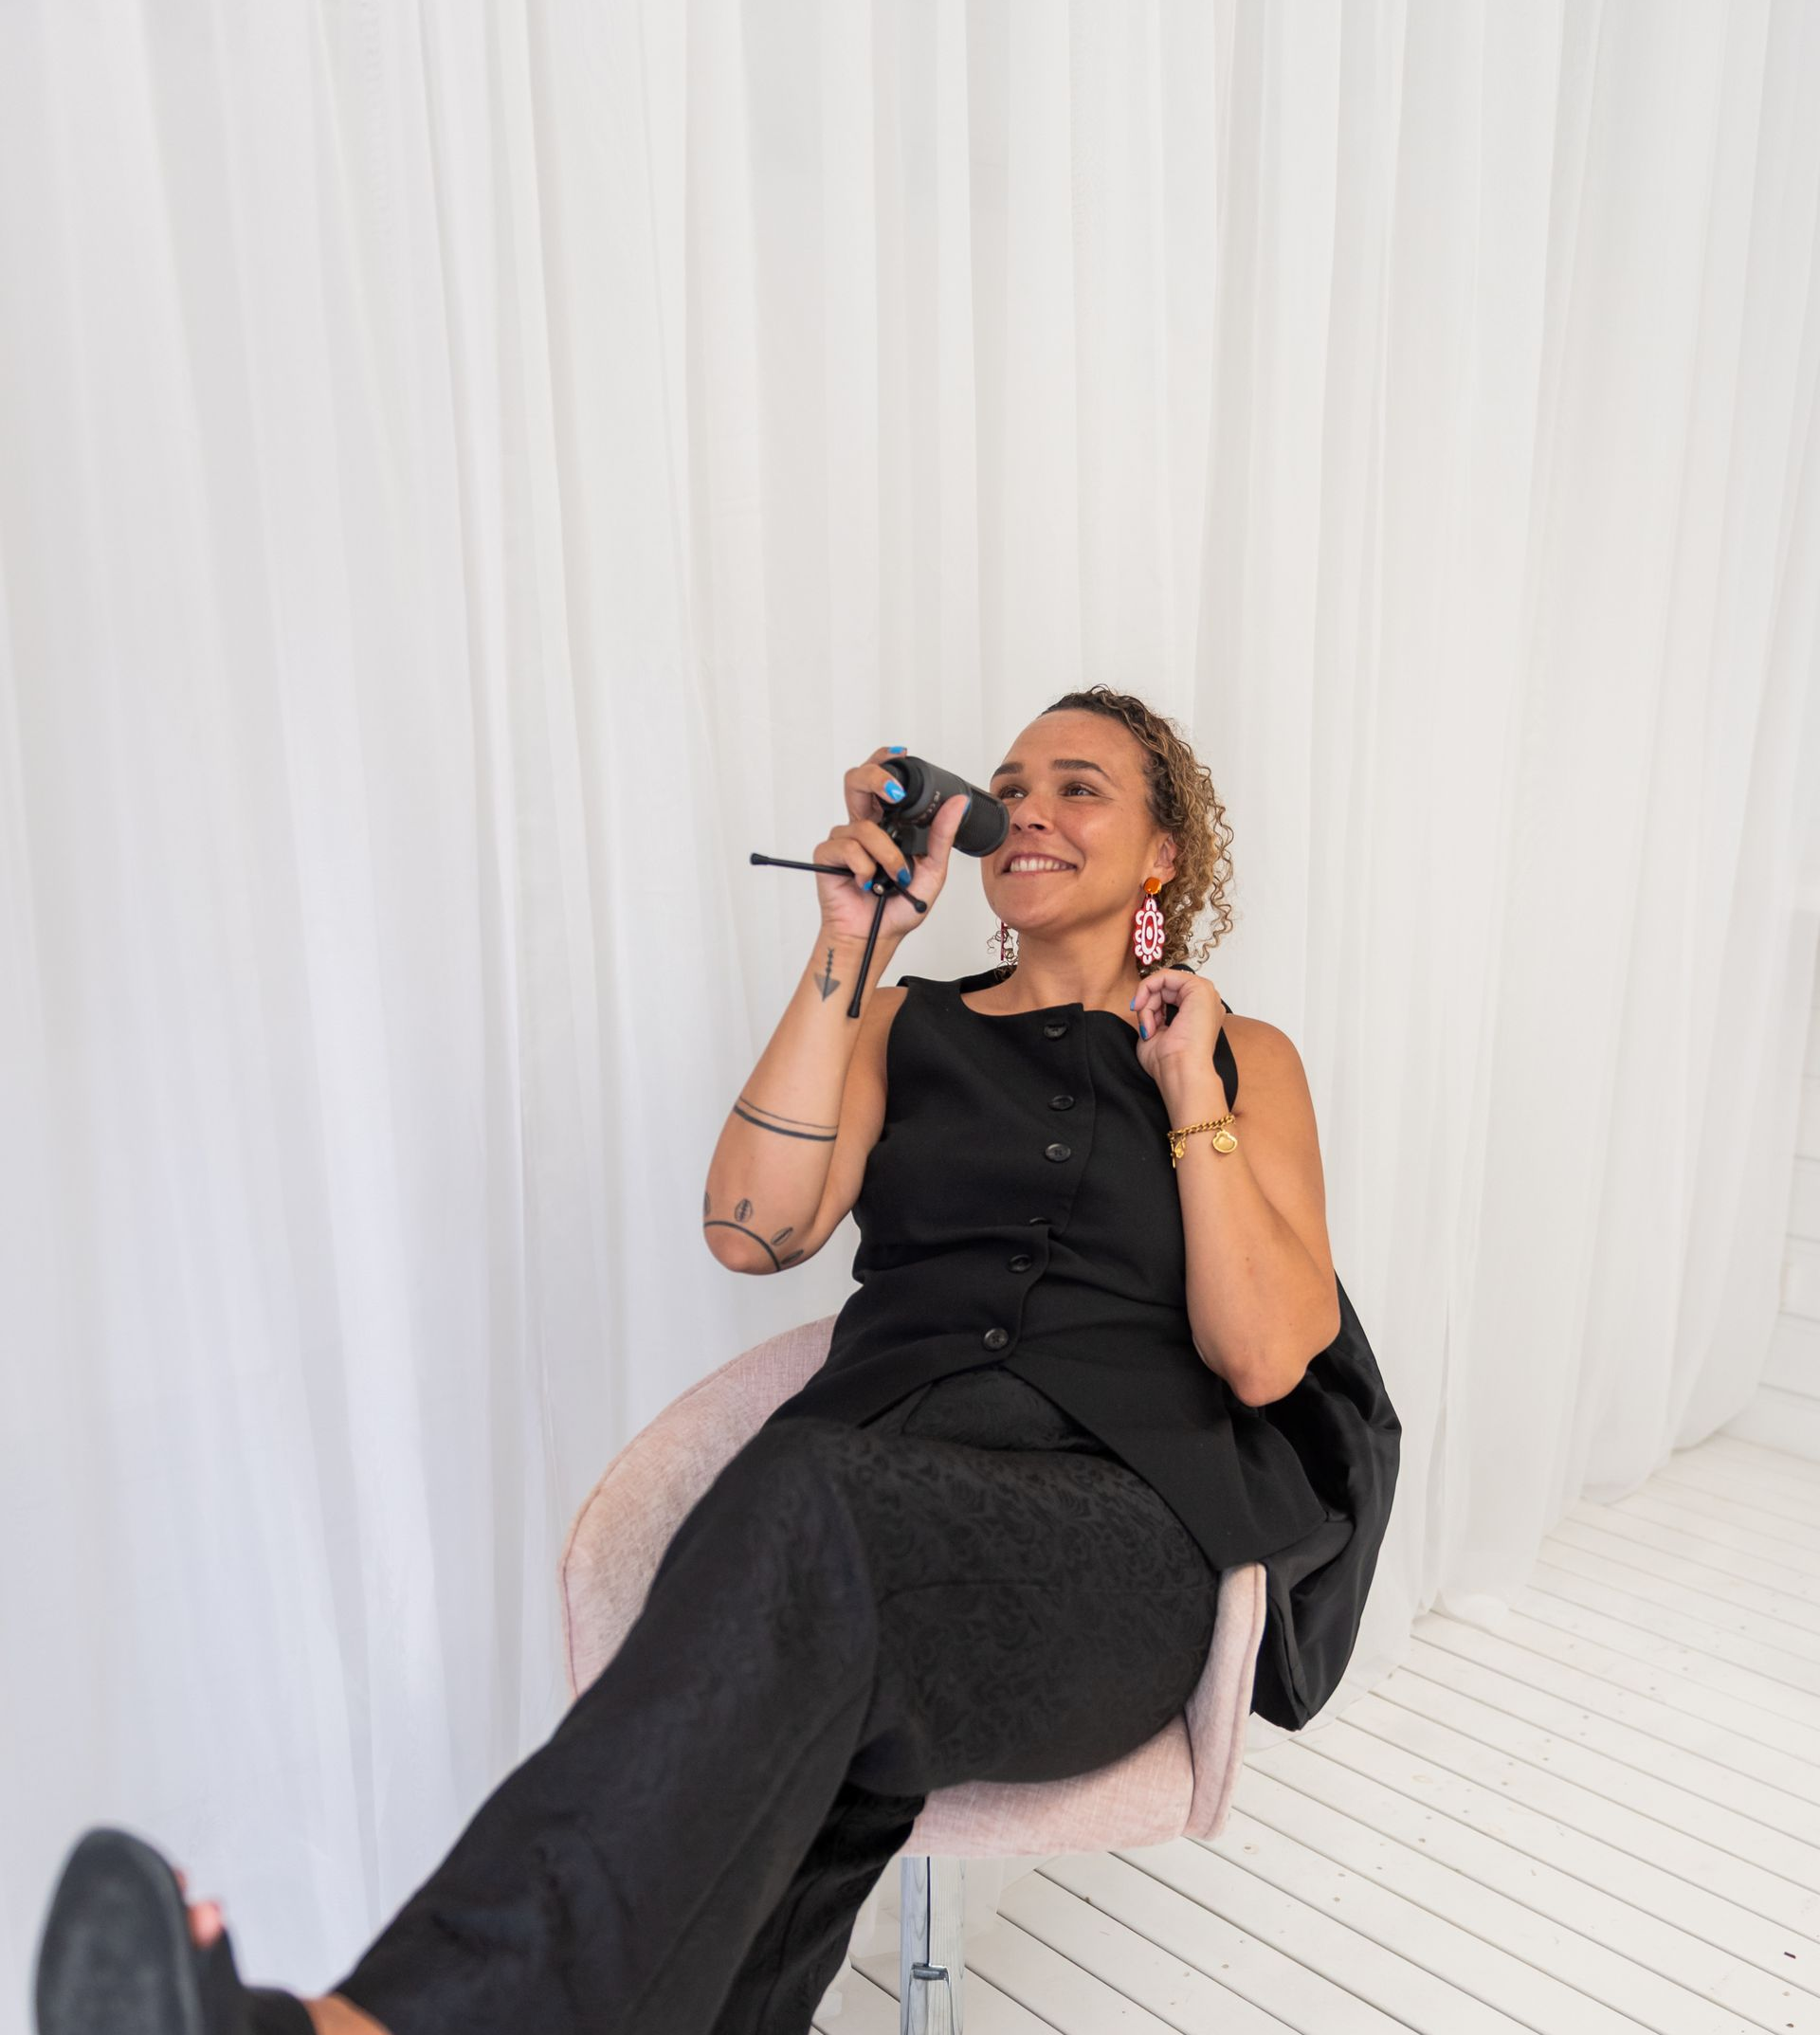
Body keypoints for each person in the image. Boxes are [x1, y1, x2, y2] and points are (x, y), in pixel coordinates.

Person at [33, 685, 1398, 2035]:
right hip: (863, 1511)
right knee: (788, 1773)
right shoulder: (896, 1020)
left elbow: (1266, 1353)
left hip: (1116, 1547)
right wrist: (846, 946)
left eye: (1080, 786)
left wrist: (1191, 1095)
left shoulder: (1240, 1058)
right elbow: (753, 1228)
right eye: (1013, 782)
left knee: (811, 1526)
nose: (1030, 806)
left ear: (1162, 852)